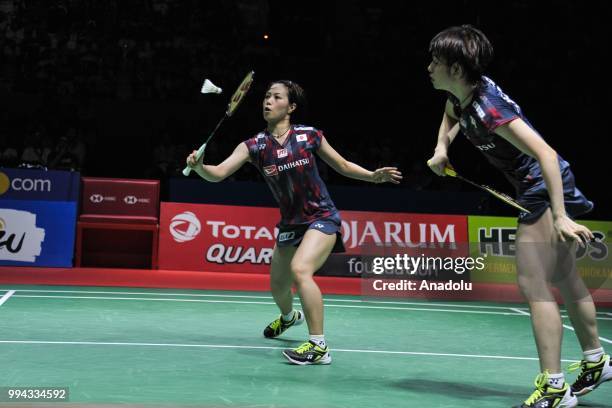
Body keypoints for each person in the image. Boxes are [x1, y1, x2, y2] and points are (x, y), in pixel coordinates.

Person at [426, 25, 610, 408]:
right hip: (534, 185)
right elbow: (449, 114)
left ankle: (555, 387)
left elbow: (545, 154)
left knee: (533, 284)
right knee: (563, 274)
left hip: (543, 184)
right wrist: (442, 148)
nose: (429, 67)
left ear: (457, 69)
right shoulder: (462, 96)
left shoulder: (490, 108)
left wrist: (559, 216)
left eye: (436, 62)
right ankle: (597, 361)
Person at [186, 80, 402, 365]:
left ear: (291, 107)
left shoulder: (309, 136)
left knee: (301, 270)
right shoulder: (254, 146)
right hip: (290, 224)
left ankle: (318, 346)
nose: (268, 101)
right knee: (278, 288)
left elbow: (343, 166)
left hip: (321, 217)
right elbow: (219, 173)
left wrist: (373, 176)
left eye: (276, 97)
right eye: (266, 97)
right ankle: (289, 318)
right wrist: (200, 167)